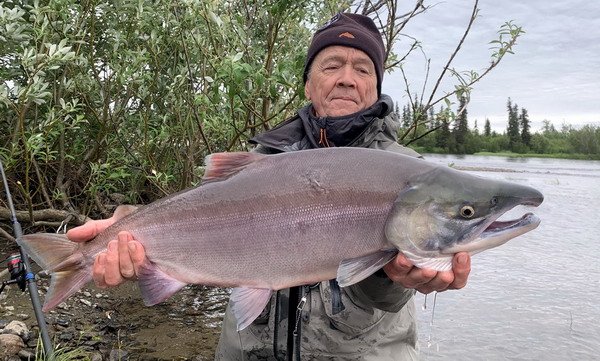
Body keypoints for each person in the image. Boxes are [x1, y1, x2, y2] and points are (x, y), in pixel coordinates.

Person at [67, 13, 471, 360]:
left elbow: (390, 298)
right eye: (332, 65)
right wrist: (128, 237)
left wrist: (394, 276)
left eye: (363, 69)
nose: (347, 79)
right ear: (309, 85)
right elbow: (188, 229)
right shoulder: (262, 159)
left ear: (376, 87)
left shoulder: (416, 177)